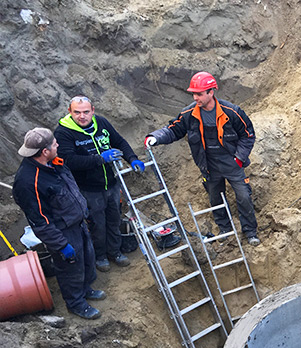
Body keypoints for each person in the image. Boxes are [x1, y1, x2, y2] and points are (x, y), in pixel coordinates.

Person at [145, 71, 260, 245]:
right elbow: (173, 130)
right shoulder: (189, 114)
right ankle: (225, 232)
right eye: (194, 93)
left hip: (232, 162)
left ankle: (250, 232)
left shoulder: (231, 112)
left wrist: (239, 158)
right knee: (215, 199)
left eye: (199, 93)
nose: (195, 97)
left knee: (243, 196)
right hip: (209, 165)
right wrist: (156, 137)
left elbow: (248, 135)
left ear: (211, 92)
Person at [12, 128, 105, 319]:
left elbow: (70, 189)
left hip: (77, 222)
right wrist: (61, 245)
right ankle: (76, 303)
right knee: (70, 268)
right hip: (62, 231)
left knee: (87, 258)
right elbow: (39, 221)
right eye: (54, 144)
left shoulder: (53, 164)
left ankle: (86, 289)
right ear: (44, 151)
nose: (58, 145)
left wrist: (84, 211)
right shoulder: (28, 182)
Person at [54, 95, 145, 272]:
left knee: (114, 219)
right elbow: (68, 160)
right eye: (77, 112)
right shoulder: (64, 132)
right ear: (69, 112)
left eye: (86, 112)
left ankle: (115, 252)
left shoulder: (101, 123)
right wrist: (99, 159)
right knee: (96, 224)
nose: (82, 116)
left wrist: (132, 158)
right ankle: (101, 256)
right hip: (88, 188)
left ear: (93, 111)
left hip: (110, 184)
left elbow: (119, 141)